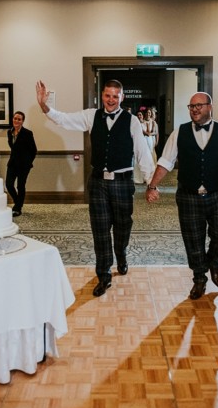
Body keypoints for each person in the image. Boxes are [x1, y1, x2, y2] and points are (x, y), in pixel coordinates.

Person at [36, 78, 154, 296]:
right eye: (108, 95)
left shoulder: (132, 121)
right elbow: (63, 119)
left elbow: (142, 153)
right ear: (102, 95)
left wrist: (151, 183)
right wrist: (45, 107)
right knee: (99, 230)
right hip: (98, 182)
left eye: (115, 96)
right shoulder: (91, 116)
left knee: (122, 226)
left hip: (122, 182)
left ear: (122, 97)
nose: (111, 100)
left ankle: (121, 252)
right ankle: (103, 275)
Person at [145, 93, 218, 299]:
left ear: (210, 106)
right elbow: (166, 161)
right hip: (188, 195)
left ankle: (213, 262)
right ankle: (199, 279)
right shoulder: (180, 132)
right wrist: (152, 186)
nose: (194, 109)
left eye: (199, 105)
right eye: (191, 106)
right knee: (193, 240)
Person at [5, 110, 38, 217]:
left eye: (19, 119)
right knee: (9, 184)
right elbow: (13, 148)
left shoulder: (28, 133)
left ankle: (18, 208)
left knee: (20, 186)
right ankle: (18, 203)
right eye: (15, 118)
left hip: (24, 165)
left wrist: (28, 162)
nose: (16, 121)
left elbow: (34, 150)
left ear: (22, 121)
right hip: (12, 163)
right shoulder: (9, 132)